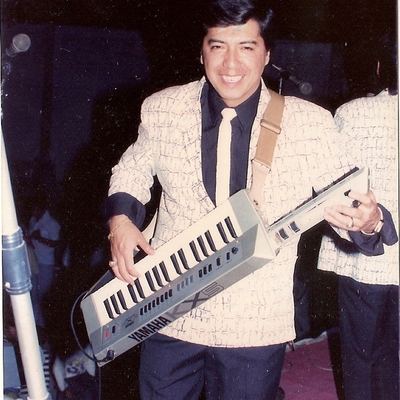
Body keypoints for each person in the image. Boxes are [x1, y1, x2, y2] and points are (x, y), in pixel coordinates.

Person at [105, 1, 382, 398]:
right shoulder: (162, 109)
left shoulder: (311, 123)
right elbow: (131, 170)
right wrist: (120, 222)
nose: (230, 64)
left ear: (266, 54)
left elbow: (352, 202)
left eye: (247, 47)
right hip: (168, 310)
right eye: (218, 46)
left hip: (254, 323)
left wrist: (368, 221)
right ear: (202, 51)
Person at [318, 32, 399, 400]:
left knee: (360, 357)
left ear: (381, 68)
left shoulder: (351, 114)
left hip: (363, 260)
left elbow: (334, 189)